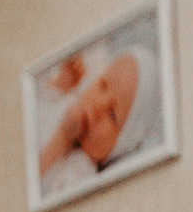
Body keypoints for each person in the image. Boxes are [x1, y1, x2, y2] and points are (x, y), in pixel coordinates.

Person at [37, 46, 163, 195]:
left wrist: (64, 137)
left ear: (120, 146)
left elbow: (35, 188)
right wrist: (60, 85)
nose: (98, 105)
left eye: (112, 115)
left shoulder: (82, 173)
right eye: (103, 86)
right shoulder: (69, 98)